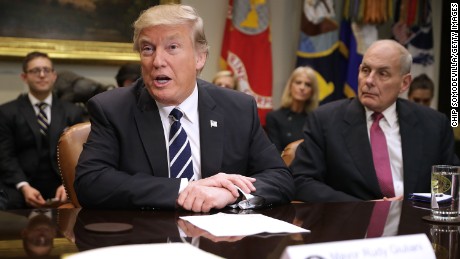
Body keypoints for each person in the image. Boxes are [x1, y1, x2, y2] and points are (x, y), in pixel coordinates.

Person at [74, 4, 294, 212]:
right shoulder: (112, 108)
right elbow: (91, 182)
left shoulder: (237, 107)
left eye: (172, 47)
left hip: (221, 242)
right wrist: (184, 189)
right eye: (148, 49)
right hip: (147, 240)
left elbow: (279, 178)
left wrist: (232, 193)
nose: (158, 61)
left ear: (200, 58)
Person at [291, 39, 459, 202]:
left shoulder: (434, 125)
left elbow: (450, 188)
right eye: (365, 70)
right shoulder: (325, 120)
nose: (369, 80)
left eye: (382, 73)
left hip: (417, 224)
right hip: (351, 225)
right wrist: (362, 209)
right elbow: (303, 181)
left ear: (404, 83)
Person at [0, 51, 84, 209]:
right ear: (24, 77)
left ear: (54, 76)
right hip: (21, 185)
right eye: (35, 70)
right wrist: (24, 186)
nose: (42, 75)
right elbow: (6, 156)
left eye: (46, 70)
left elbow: (79, 156)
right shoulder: (7, 112)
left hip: (61, 184)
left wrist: (68, 184)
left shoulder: (72, 112)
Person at [265, 66, 319, 152]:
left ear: (312, 92)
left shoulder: (315, 120)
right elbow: (275, 154)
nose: (302, 87)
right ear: (290, 86)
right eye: (298, 82)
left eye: (307, 84)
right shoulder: (274, 117)